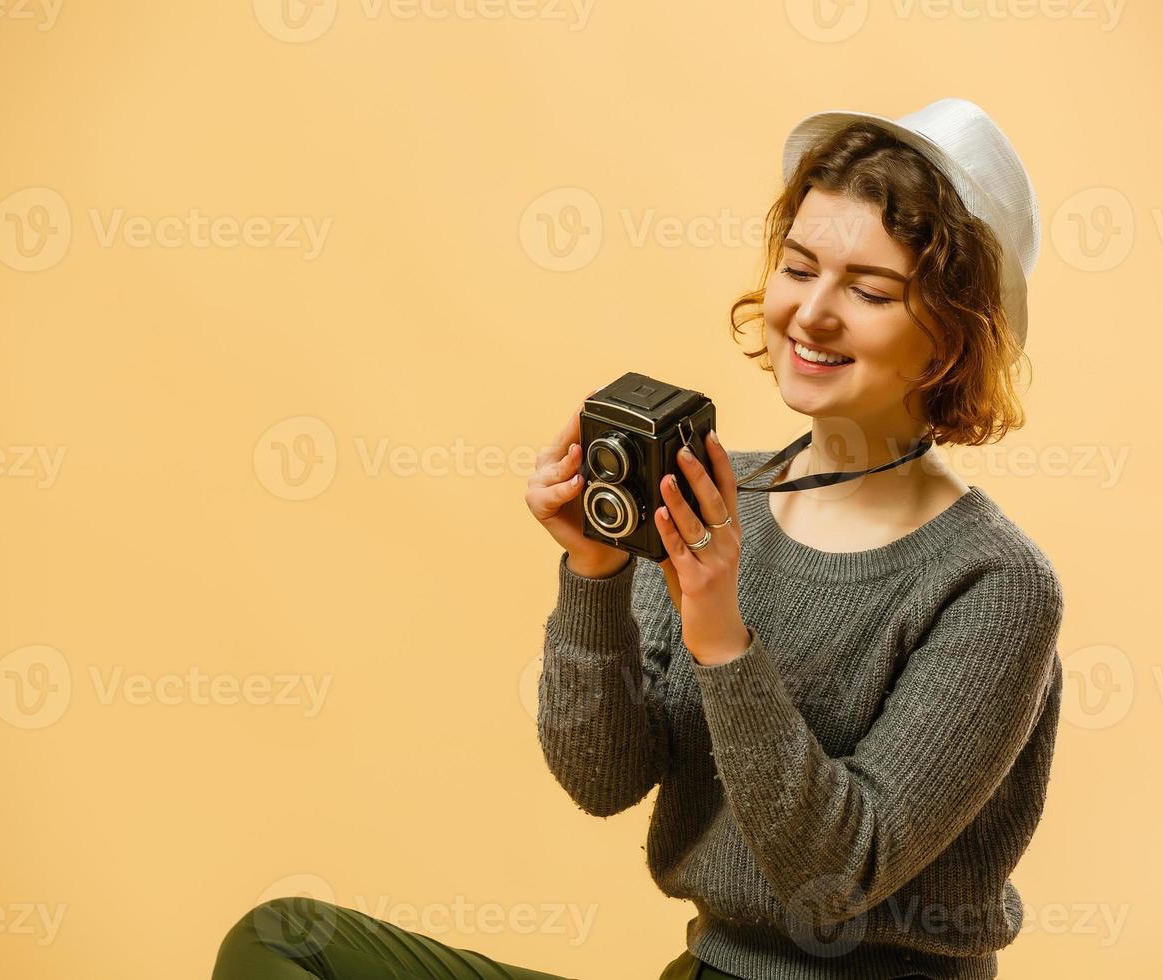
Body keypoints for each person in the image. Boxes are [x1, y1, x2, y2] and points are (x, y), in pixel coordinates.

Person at [211, 97, 1063, 980]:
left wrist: (721, 634)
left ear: (947, 346)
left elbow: (830, 875)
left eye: (869, 290)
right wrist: (595, 571)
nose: (811, 314)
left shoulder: (992, 582)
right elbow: (604, 779)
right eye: (799, 268)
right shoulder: (720, 493)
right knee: (283, 944)